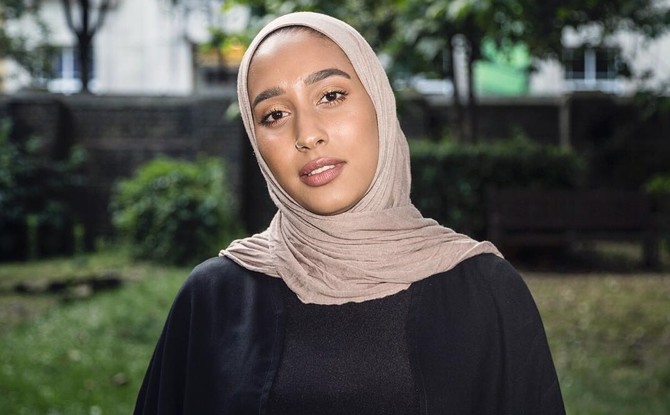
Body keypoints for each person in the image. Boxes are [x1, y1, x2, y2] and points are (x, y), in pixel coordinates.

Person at [133, 11, 565, 415]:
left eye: (331, 95)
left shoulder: (486, 292)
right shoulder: (212, 299)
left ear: (380, 103)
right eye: (275, 114)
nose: (307, 135)